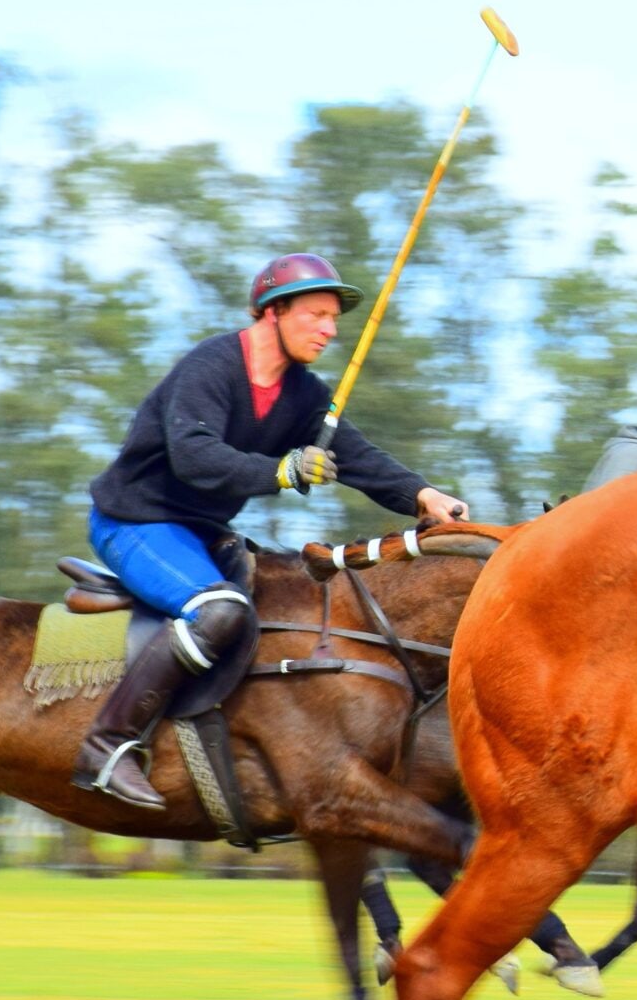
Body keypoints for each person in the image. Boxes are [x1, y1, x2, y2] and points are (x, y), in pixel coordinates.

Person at [74, 253, 470, 810]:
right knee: (219, 611)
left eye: (334, 318)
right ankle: (107, 745)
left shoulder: (303, 393)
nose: (330, 330)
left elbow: (355, 456)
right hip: (133, 522)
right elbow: (192, 456)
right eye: (316, 314)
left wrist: (424, 495)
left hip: (202, 532)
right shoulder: (211, 366)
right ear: (273, 311)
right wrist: (278, 471)